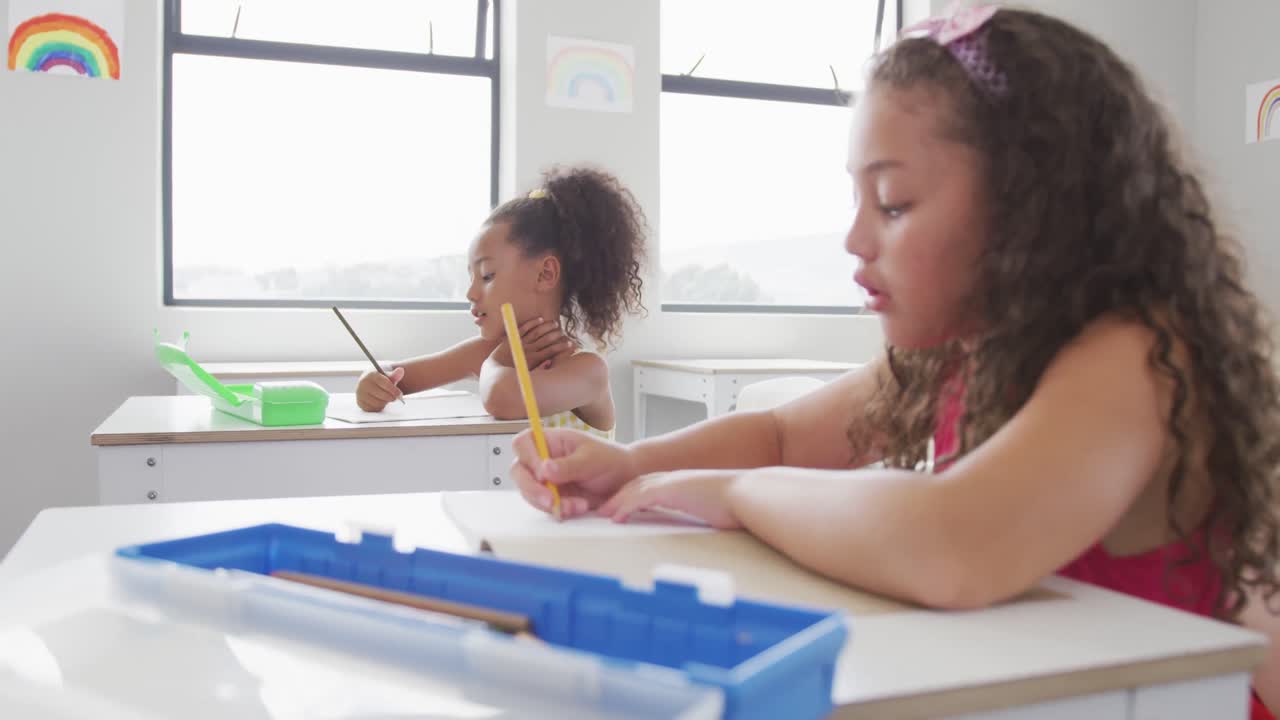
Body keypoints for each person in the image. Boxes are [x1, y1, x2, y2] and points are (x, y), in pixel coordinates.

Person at [510, 7, 1280, 715]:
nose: (854, 240)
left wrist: (740, 493)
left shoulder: (1140, 353)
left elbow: (958, 545)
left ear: (1034, 214)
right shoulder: (954, 356)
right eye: (857, 200)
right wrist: (632, 462)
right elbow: (781, 435)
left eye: (895, 204)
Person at [356, 166, 646, 437]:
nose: (471, 293)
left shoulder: (586, 370)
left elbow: (504, 399)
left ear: (545, 274)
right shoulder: (487, 354)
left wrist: (498, 360)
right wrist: (372, 381)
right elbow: (398, 375)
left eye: (486, 275)